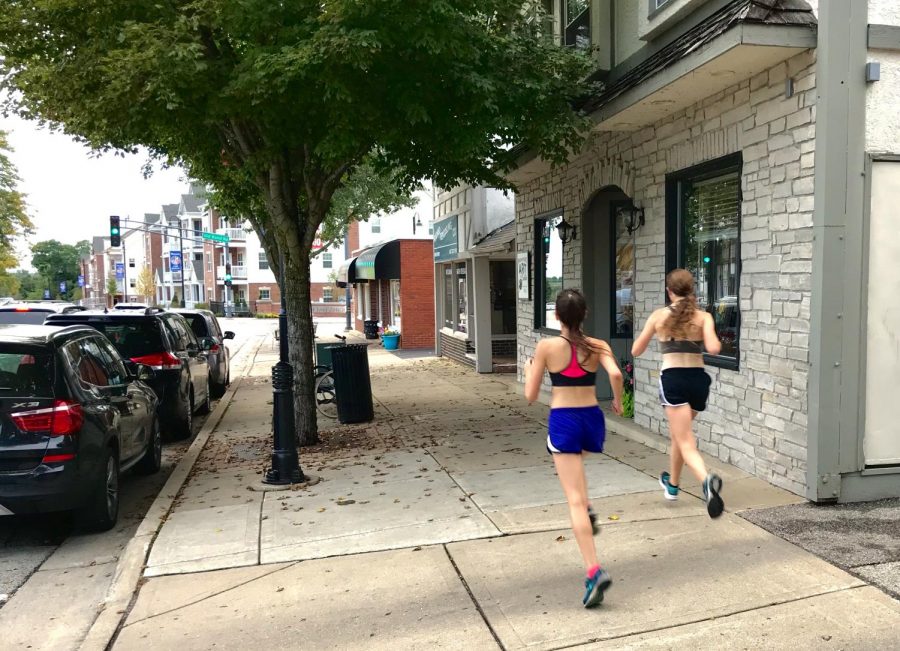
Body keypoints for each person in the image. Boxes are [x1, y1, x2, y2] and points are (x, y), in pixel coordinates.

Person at [524, 288, 623, 608]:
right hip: (592, 419)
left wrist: (528, 372)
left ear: (557, 317)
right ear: (584, 315)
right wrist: (618, 401)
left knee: (574, 501)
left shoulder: (547, 347)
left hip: (564, 420)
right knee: (576, 469)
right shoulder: (597, 345)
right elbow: (617, 374)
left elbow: (530, 394)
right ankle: (589, 510)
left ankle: (594, 571)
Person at [631, 269, 724, 518]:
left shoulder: (659, 316)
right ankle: (672, 486)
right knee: (678, 435)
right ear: (691, 289)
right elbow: (714, 348)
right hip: (697, 381)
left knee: (685, 440)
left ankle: (706, 481)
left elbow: (636, 350)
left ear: (668, 290)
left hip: (674, 379)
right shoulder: (703, 317)